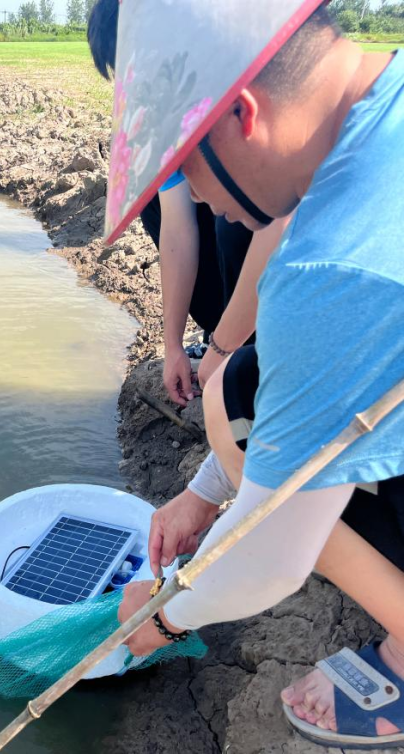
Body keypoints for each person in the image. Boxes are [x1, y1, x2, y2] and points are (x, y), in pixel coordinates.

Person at [96, 0, 404, 748]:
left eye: (181, 170)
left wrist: (160, 616)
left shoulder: (329, 272)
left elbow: (269, 556)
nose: (194, 199)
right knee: (245, 393)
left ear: (240, 113)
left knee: (237, 418)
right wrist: (204, 497)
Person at [87, 0, 289, 404]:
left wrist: (223, 351)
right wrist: (174, 345)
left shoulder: (248, 86)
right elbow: (178, 227)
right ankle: (234, 339)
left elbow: (282, 220)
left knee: (232, 221)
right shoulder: (174, 115)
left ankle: (261, 355)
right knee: (162, 204)